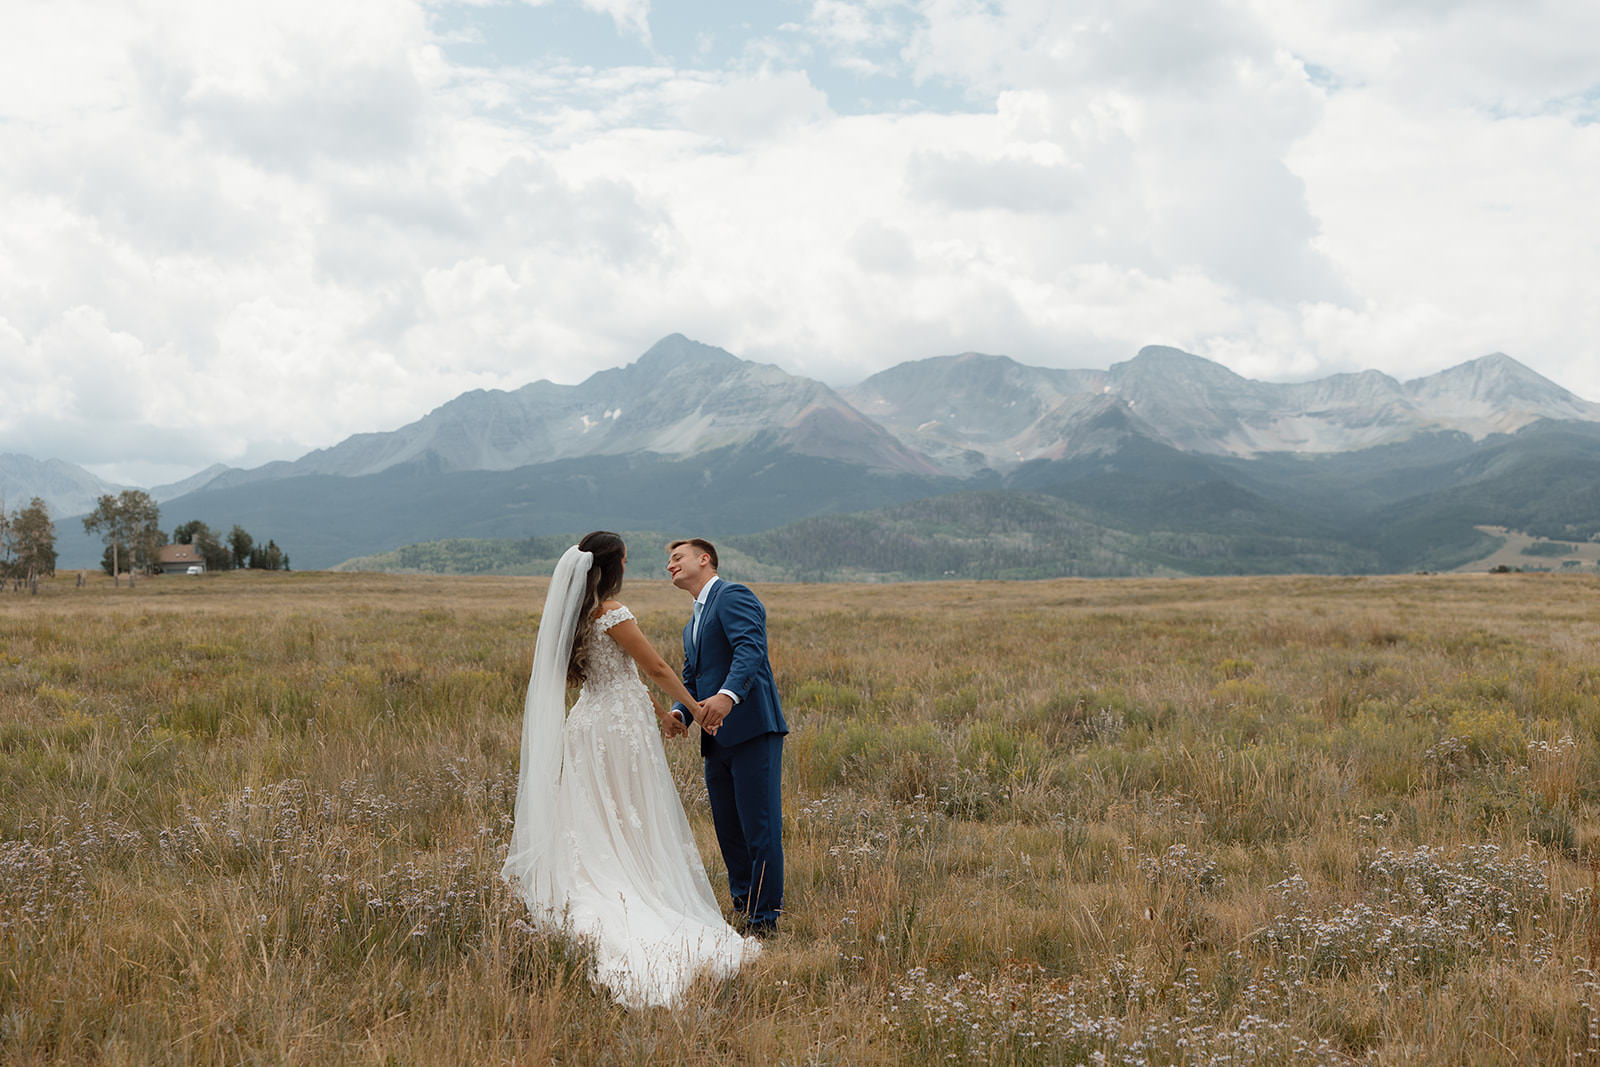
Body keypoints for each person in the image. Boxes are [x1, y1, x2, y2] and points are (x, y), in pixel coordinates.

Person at [501, 531, 759, 1010]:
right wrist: (693, 708)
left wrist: (665, 717)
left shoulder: (578, 618)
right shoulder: (612, 612)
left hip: (591, 721)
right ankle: (632, 892)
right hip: (618, 730)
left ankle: (601, 878)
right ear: (612, 565)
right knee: (629, 809)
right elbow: (657, 667)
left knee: (599, 811)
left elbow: (620, 675)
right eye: (624, 558)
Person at [666, 538, 788, 936]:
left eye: (677, 558)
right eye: (669, 561)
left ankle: (764, 919)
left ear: (705, 560)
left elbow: (750, 650)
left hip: (752, 728)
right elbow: (691, 677)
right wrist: (680, 712)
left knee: (760, 825)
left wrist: (728, 695)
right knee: (728, 828)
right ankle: (743, 904)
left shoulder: (732, 596)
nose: (671, 565)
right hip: (715, 739)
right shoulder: (692, 623)